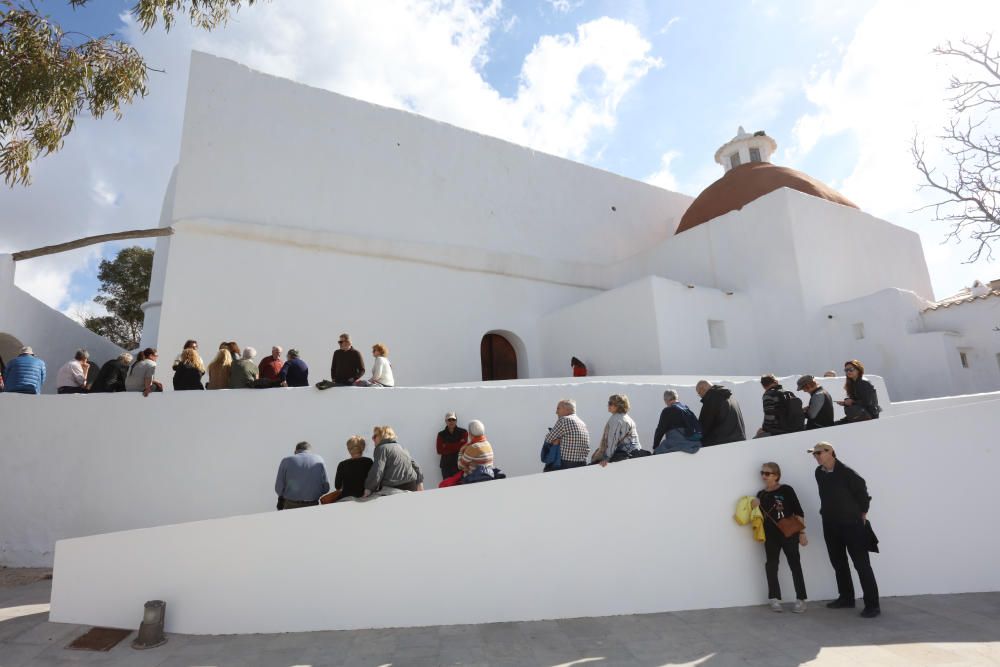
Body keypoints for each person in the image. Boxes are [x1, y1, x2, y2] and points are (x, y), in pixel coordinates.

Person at [809, 441, 880, 618]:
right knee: (838, 563)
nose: (816, 457)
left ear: (830, 452)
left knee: (861, 565)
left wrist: (861, 514)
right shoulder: (819, 473)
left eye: (819, 453)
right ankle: (846, 598)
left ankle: (872, 605)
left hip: (852, 525)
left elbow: (863, 496)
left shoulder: (848, 474)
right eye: (814, 454)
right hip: (830, 525)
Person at [751, 462, 808, 613]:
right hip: (770, 535)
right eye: (762, 473)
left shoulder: (786, 489)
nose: (764, 476)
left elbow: (799, 511)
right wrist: (753, 505)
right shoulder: (761, 494)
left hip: (789, 532)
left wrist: (802, 534)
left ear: (776, 475)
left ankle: (801, 599)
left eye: (767, 473)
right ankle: (774, 598)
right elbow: (756, 516)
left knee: (795, 564)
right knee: (771, 565)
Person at [364, 425, 424, 494]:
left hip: (393, 487)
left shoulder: (381, 448)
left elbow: (377, 471)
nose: (373, 439)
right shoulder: (401, 447)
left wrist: (368, 489)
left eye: (374, 436)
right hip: (411, 485)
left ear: (382, 436)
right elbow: (416, 466)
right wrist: (420, 483)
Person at [274, 441, 330, 510]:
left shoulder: (286, 461)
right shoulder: (319, 459)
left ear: (295, 451)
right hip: (313, 505)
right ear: (309, 450)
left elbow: (278, 488)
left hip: (291, 505)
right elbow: (326, 488)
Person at [593, 394, 641, 466]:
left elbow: (612, 440)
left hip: (624, 452)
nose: (608, 405)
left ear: (618, 405)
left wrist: (607, 458)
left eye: (610, 403)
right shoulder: (628, 418)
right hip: (634, 451)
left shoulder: (616, 419)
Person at [543, 399, 591, 470]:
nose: (556, 412)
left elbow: (548, 439)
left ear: (567, 409)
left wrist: (555, 442)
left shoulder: (564, 420)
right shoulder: (582, 423)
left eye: (558, 408)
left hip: (565, 463)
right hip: (581, 463)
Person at [696, 380, 746, 446]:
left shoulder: (711, 398)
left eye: (698, 393)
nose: (699, 396)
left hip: (722, 443)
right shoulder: (730, 397)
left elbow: (704, 425)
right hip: (739, 439)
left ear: (702, 389)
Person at [652, 389, 702, 454]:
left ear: (666, 400)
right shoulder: (686, 409)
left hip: (676, 442)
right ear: (677, 398)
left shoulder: (667, 410)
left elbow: (660, 430)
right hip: (693, 443)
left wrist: (655, 446)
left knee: (658, 452)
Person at [334, 436, 374, 501]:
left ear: (349, 449)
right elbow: (373, 480)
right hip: (365, 498)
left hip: (346, 499)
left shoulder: (342, 464)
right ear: (363, 448)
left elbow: (337, 486)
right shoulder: (368, 462)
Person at [436, 412, 468, 479]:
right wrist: (458, 444)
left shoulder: (463, 432)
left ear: (456, 420)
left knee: (460, 486)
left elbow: (464, 447)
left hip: (460, 465)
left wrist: (446, 446)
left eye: (453, 419)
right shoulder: (441, 434)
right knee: (447, 487)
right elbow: (439, 450)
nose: (451, 421)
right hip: (446, 467)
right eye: (449, 420)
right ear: (446, 421)